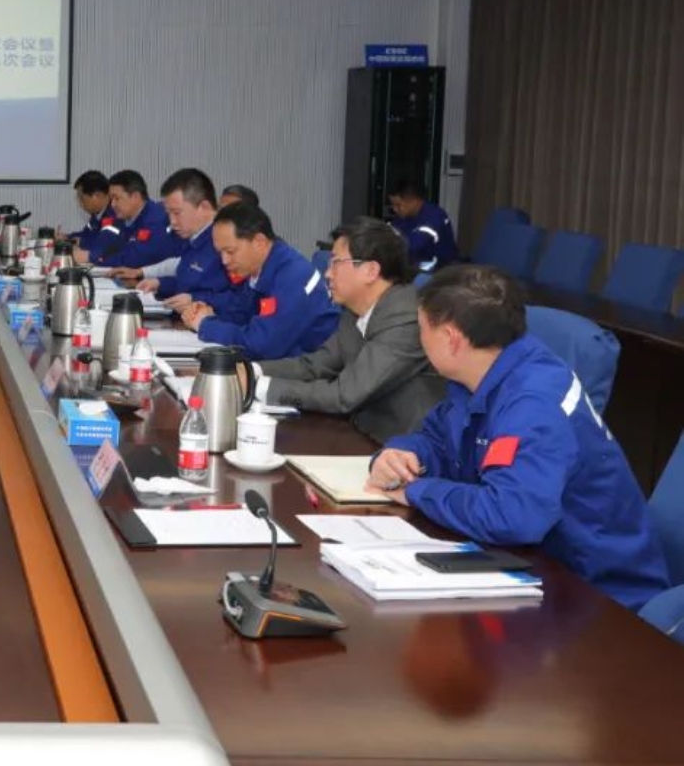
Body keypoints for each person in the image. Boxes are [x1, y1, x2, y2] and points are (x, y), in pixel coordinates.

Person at [366, 265, 667, 612]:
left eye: (421, 328)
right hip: (527, 566)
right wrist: (399, 454)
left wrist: (417, 491)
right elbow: (437, 437)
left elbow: (511, 516)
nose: (418, 338)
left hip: (598, 597)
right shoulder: (483, 373)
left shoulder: (533, 404)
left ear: (450, 339)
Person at [246, 217, 445, 441]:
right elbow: (314, 366)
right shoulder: (354, 312)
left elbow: (344, 395)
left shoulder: (406, 319)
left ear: (371, 270)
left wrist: (260, 387)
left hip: (402, 445)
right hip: (362, 430)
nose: (327, 273)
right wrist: (252, 371)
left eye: (336, 262)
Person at [181, 203, 339, 361]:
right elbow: (240, 316)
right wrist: (205, 314)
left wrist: (205, 325)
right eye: (220, 253)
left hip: (312, 370)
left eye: (230, 251)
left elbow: (262, 346)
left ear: (259, 242)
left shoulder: (294, 276)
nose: (224, 260)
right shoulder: (257, 270)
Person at [119, 168, 245, 317]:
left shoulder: (229, 242)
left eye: (177, 213)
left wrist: (195, 299)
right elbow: (188, 284)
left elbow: (241, 300)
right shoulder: (192, 237)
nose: (172, 222)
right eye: (169, 214)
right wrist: (160, 283)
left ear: (204, 207)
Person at [73, 170, 179, 269]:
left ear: (135, 197)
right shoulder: (130, 221)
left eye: (117, 198)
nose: (113, 204)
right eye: (111, 199)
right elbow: (115, 249)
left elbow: (134, 259)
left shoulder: (155, 219)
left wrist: (91, 258)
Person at [388, 179, 459, 272]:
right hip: (417, 266)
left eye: (398, 205)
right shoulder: (402, 217)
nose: (394, 209)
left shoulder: (434, 217)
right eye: (392, 205)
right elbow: (390, 237)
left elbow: (412, 246)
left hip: (440, 270)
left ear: (414, 201)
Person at [67, 170, 116, 254]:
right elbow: (86, 234)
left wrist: (81, 242)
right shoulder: (97, 215)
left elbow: (105, 244)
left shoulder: (115, 213)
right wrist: (66, 238)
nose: (80, 203)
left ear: (98, 195)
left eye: (81, 198)